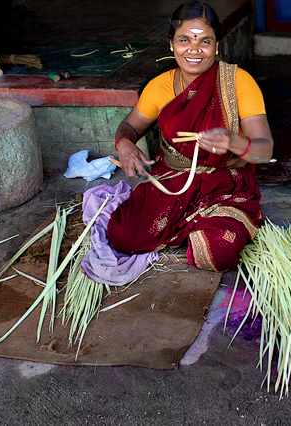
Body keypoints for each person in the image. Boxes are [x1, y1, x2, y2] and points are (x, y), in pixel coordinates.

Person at [107, 1, 273, 272]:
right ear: (171, 44)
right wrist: (124, 145)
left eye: (205, 41)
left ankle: (200, 226)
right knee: (122, 236)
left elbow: (264, 151)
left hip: (223, 186)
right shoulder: (159, 87)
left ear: (217, 45)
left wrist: (233, 141)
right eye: (184, 40)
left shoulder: (239, 82)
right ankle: (192, 227)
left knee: (220, 252)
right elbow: (129, 127)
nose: (194, 50)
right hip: (172, 183)